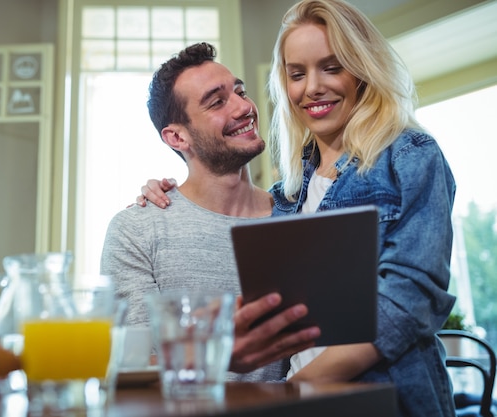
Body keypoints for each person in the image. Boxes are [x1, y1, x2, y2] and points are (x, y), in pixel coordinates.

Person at [136, 0, 457, 415]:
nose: (312, 88)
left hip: (385, 401)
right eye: (297, 73)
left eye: (332, 66)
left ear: (361, 69)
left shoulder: (410, 155)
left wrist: (292, 391)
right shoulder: (288, 195)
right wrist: (163, 193)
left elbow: (408, 302)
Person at [100, 42, 321, 382]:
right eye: (217, 102)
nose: (244, 107)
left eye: (240, 91)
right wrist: (217, 354)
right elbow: (134, 366)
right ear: (177, 137)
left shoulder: (300, 215)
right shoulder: (137, 229)